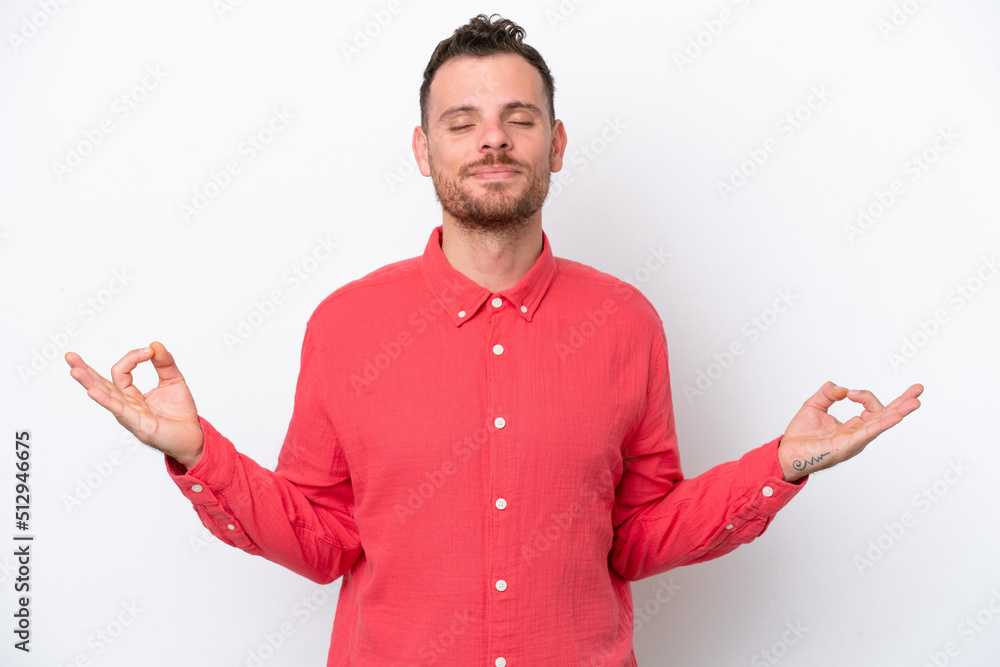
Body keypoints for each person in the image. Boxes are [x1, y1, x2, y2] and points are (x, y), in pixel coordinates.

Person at [65, 14, 923, 667]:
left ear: (555, 145)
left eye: (519, 117)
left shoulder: (626, 321)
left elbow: (636, 534)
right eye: (461, 120)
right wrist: (197, 451)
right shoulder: (346, 325)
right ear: (422, 149)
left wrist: (780, 465)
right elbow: (321, 539)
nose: (492, 139)